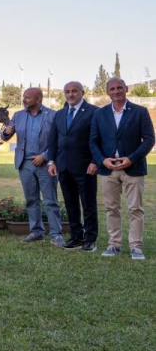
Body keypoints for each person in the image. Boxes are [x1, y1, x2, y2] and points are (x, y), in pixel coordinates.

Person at [90, 78, 155, 260]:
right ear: (107, 92)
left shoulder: (140, 112)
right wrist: (103, 160)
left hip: (133, 168)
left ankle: (136, 246)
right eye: (112, 88)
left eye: (120, 88)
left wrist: (131, 159)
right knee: (111, 208)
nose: (116, 91)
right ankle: (114, 244)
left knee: (135, 208)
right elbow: (93, 141)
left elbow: (149, 139)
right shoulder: (100, 114)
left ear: (126, 89)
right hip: (108, 168)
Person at [1, 88, 62, 246]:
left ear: (38, 100)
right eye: (24, 97)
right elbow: (4, 136)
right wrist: (6, 132)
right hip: (25, 165)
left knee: (50, 201)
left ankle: (56, 234)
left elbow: (59, 141)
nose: (24, 100)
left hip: (45, 165)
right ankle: (36, 231)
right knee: (31, 200)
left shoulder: (53, 115)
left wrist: (45, 156)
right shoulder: (18, 115)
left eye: (28, 98)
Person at [46, 82, 99, 252]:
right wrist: (51, 161)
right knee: (70, 203)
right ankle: (76, 237)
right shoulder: (60, 114)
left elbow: (98, 139)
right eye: (67, 92)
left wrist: (95, 161)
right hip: (63, 166)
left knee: (88, 204)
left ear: (82, 92)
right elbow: (53, 140)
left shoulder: (93, 112)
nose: (70, 94)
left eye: (74, 91)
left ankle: (90, 239)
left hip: (85, 166)